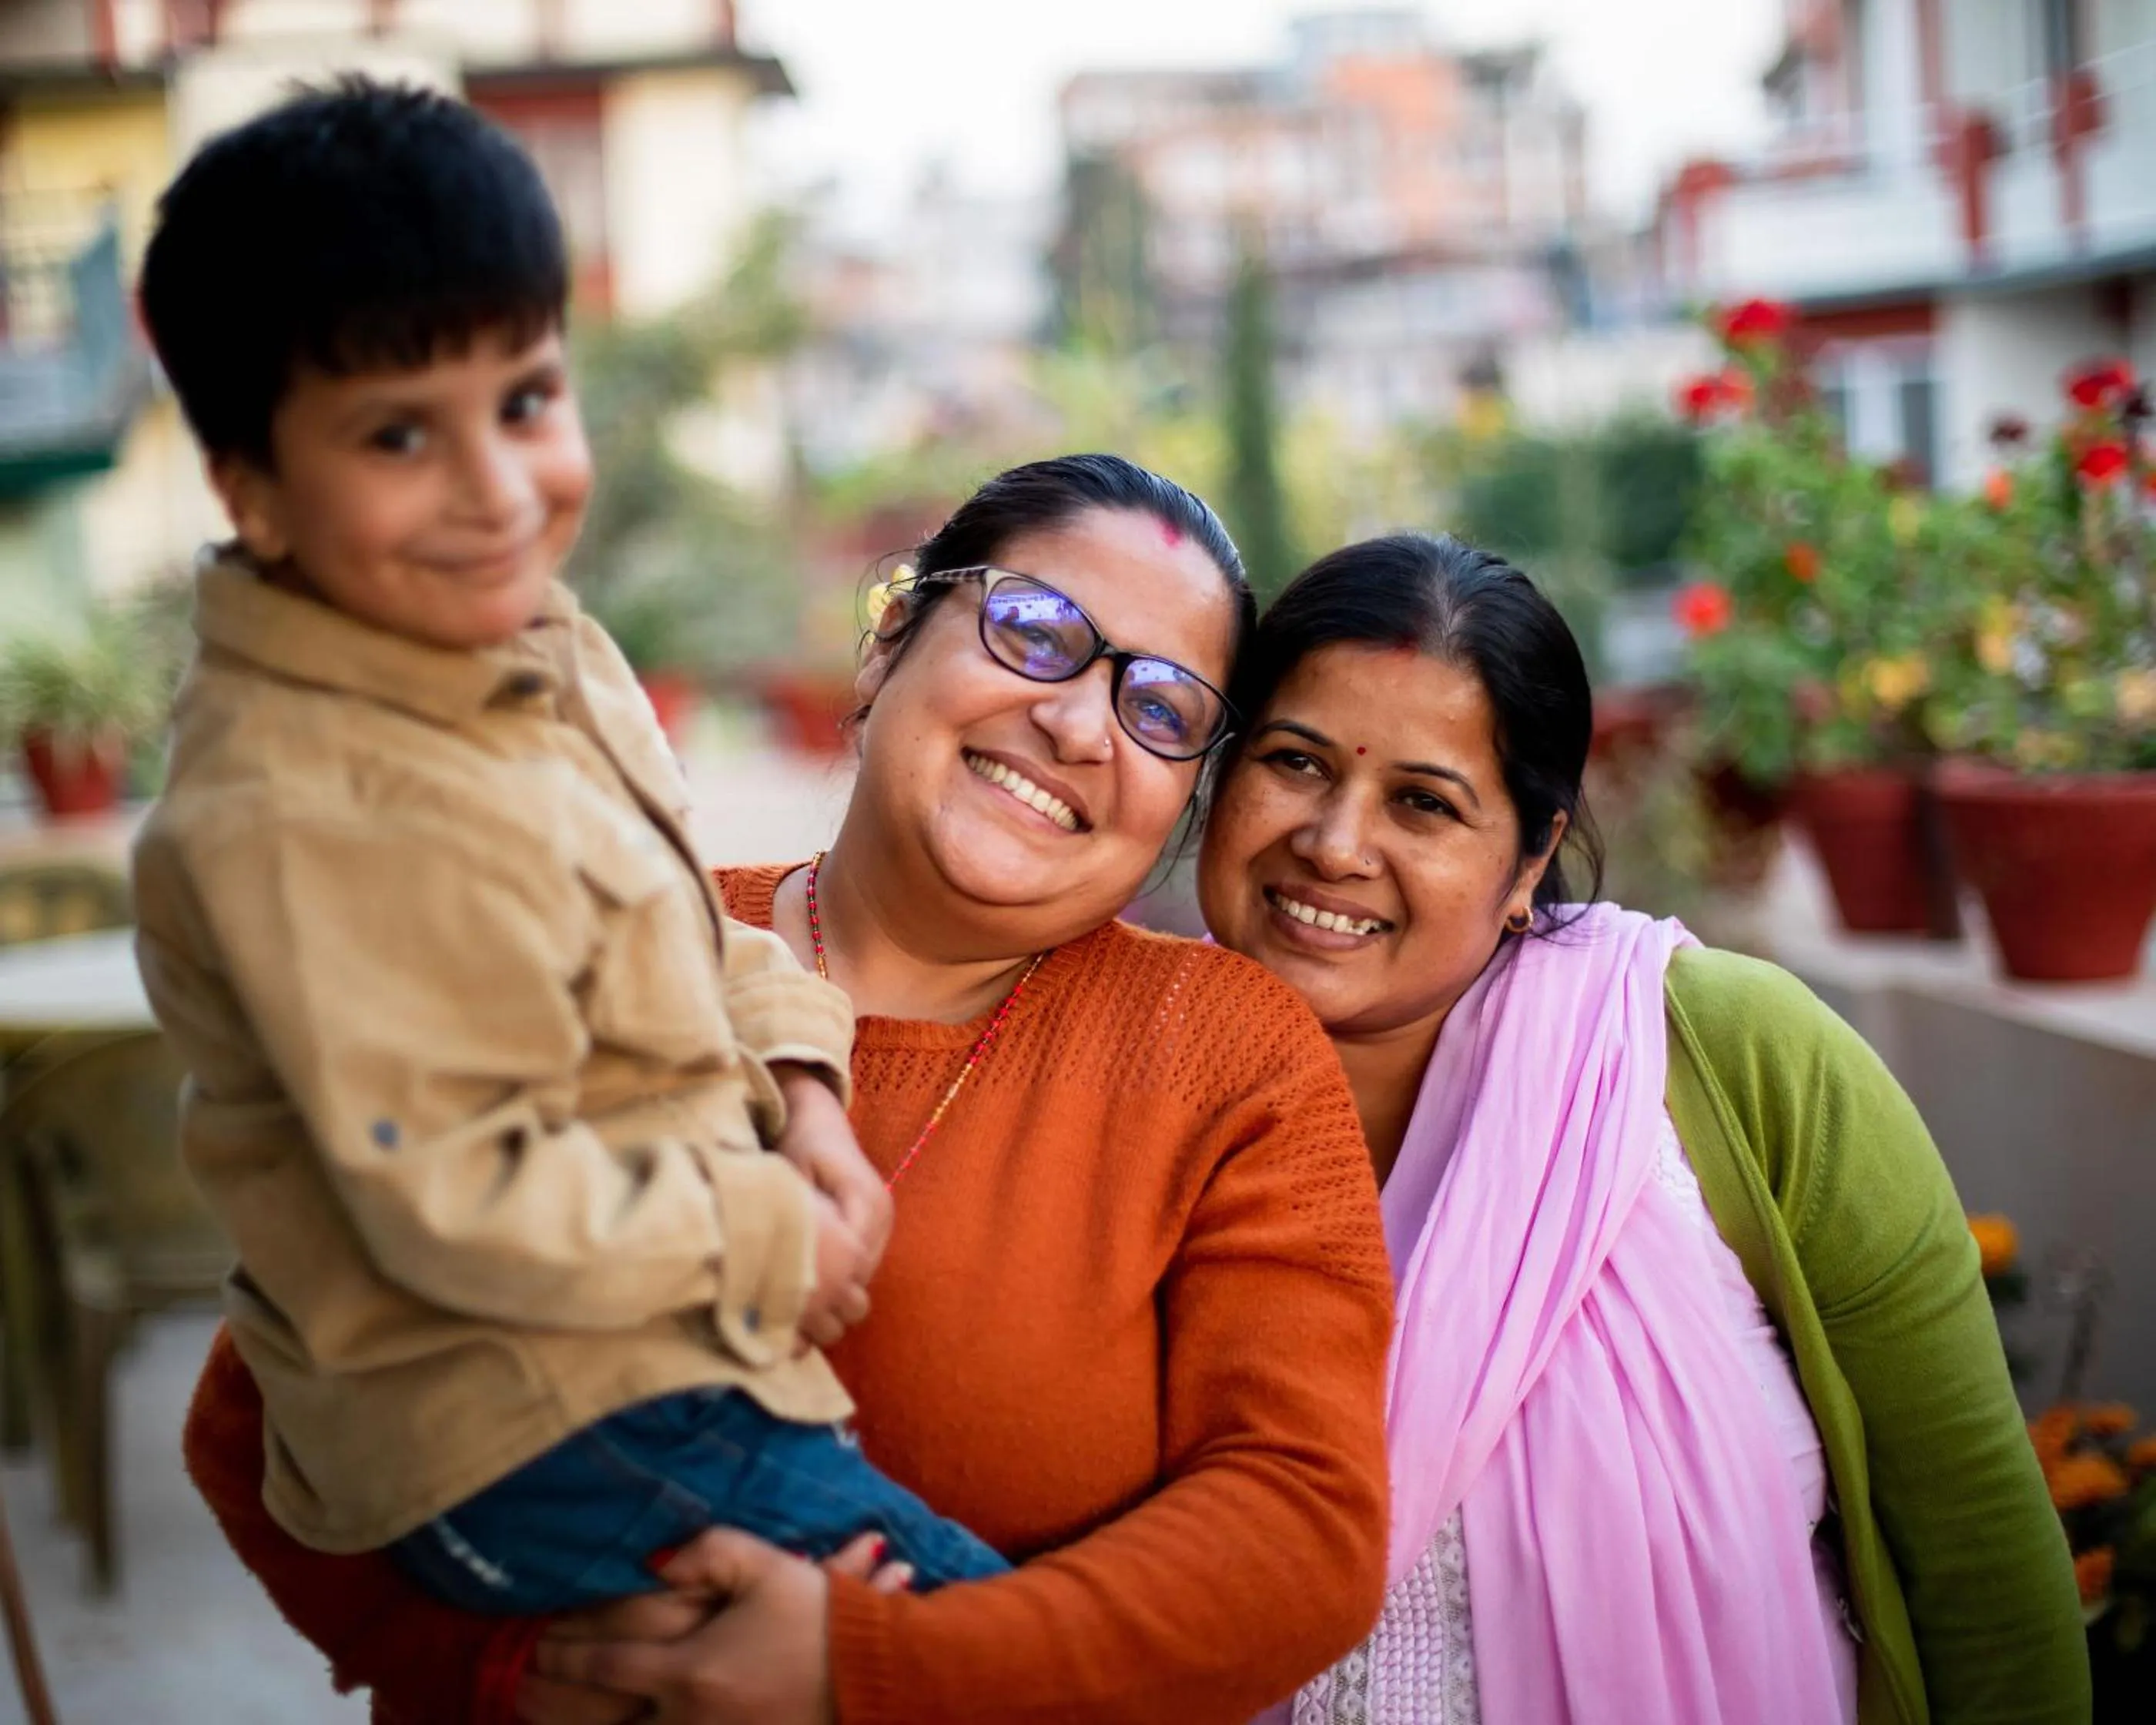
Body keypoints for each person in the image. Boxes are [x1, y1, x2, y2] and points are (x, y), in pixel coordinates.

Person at [179, 453, 1396, 1723]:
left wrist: (879, 1670)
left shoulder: (1226, 1054)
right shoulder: (605, 945)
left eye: (1163, 710)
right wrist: (493, 1671)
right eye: (1035, 631)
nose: (1082, 724)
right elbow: (257, 1413)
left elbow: (1299, 1529)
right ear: (885, 648)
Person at [129, 77, 1026, 1619]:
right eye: (400, 434)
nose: (495, 489)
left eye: (525, 400)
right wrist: (766, 1230)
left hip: (649, 1361)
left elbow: (675, 931)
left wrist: (805, 1095)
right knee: (992, 1662)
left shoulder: (531, 639)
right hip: (540, 1421)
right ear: (252, 492)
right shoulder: (299, 803)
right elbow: (459, 1197)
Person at [1197, 532, 2091, 1725]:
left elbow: (1979, 1556)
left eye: (1424, 802)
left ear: (1531, 858)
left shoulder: (1716, 1056)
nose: (1337, 843)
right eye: (1297, 764)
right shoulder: (1102, 1068)